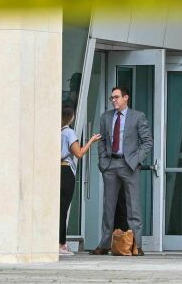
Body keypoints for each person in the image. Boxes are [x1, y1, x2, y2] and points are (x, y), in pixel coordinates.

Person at [90, 87, 153, 256]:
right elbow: (102, 140)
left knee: (133, 207)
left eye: (117, 97)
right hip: (110, 165)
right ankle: (104, 244)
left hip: (129, 165)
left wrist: (135, 160)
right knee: (108, 207)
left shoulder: (137, 117)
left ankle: (137, 245)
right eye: (112, 98)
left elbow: (147, 142)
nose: (114, 100)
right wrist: (103, 161)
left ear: (126, 98)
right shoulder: (106, 117)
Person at [60, 106, 101, 256]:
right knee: (63, 209)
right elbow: (78, 153)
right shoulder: (69, 132)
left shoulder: (56, 132)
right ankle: (61, 244)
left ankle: (57, 242)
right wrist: (91, 141)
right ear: (70, 117)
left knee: (58, 208)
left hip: (55, 172)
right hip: (65, 171)